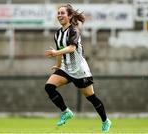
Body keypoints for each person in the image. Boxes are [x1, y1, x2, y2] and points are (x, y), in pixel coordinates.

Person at [44, 4, 111, 132]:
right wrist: (58, 65)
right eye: (58, 13)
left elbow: (71, 48)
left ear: (69, 16)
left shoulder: (73, 30)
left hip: (80, 70)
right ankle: (66, 111)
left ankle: (105, 121)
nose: (59, 15)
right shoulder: (58, 33)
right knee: (49, 87)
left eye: (62, 13)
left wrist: (55, 53)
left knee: (91, 97)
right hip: (66, 68)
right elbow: (59, 50)